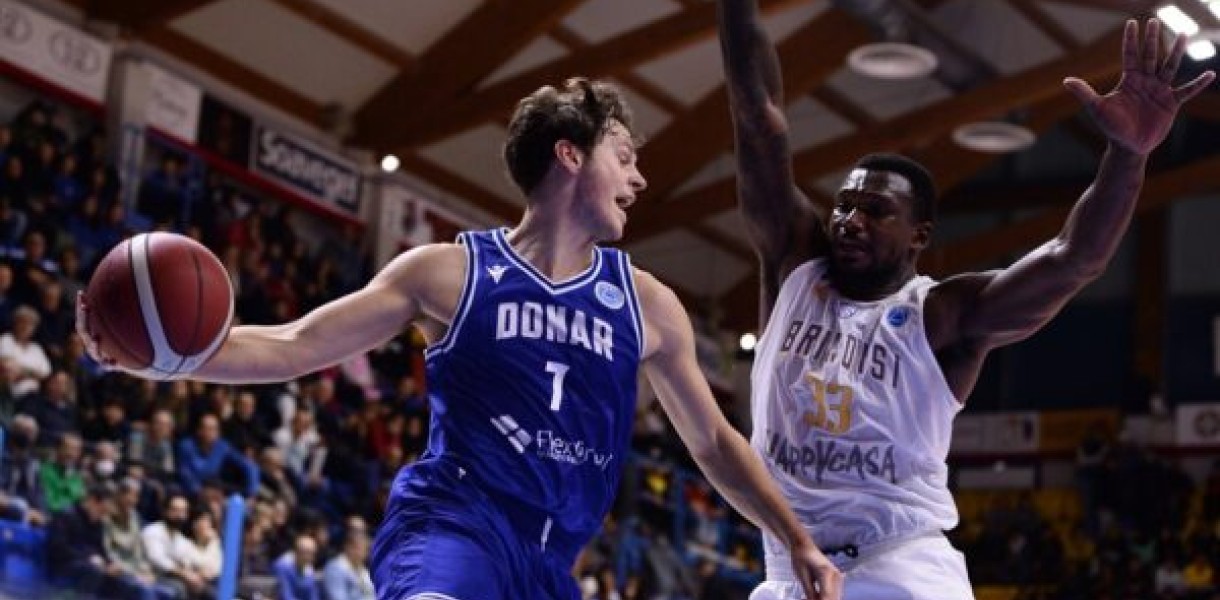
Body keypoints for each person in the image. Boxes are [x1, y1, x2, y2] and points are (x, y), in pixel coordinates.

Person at [79, 78, 842, 599]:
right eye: (625, 157)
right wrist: (160, 361)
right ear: (570, 155)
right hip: (455, 523)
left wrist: (796, 538)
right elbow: (292, 345)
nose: (639, 179)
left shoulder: (648, 304)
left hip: (551, 563)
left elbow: (713, 441)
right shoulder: (449, 273)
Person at [716, 3, 1215, 598]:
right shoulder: (794, 266)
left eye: (875, 211)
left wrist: (1127, 156)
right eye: (844, 205)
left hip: (898, 567)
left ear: (919, 236)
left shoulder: (943, 315)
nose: (850, 220)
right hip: (789, 569)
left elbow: (1073, 259)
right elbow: (759, 118)